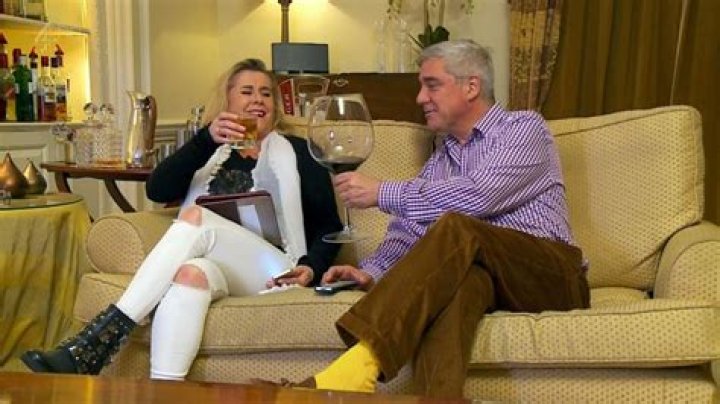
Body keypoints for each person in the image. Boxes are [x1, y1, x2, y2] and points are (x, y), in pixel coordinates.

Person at [264, 40, 590, 398]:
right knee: (461, 285)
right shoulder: (440, 160)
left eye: (431, 85)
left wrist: (382, 192)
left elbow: (478, 196)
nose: (420, 98)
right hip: (490, 277)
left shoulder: (523, 129)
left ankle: (354, 367)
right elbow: (410, 230)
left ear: (471, 86)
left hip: (553, 275)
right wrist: (371, 271)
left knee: (457, 226)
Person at [21, 58, 342, 380]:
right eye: (247, 92)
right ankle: (165, 389)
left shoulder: (300, 152)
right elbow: (157, 189)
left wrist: (310, 267)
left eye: (266, 93)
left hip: (276, 268)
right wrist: (207, 140)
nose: (258, 100)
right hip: (221, 266)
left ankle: (96, 342)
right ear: (228, 100)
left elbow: (330, 226)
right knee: (189, 276)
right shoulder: (210, 150)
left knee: (196, 216)